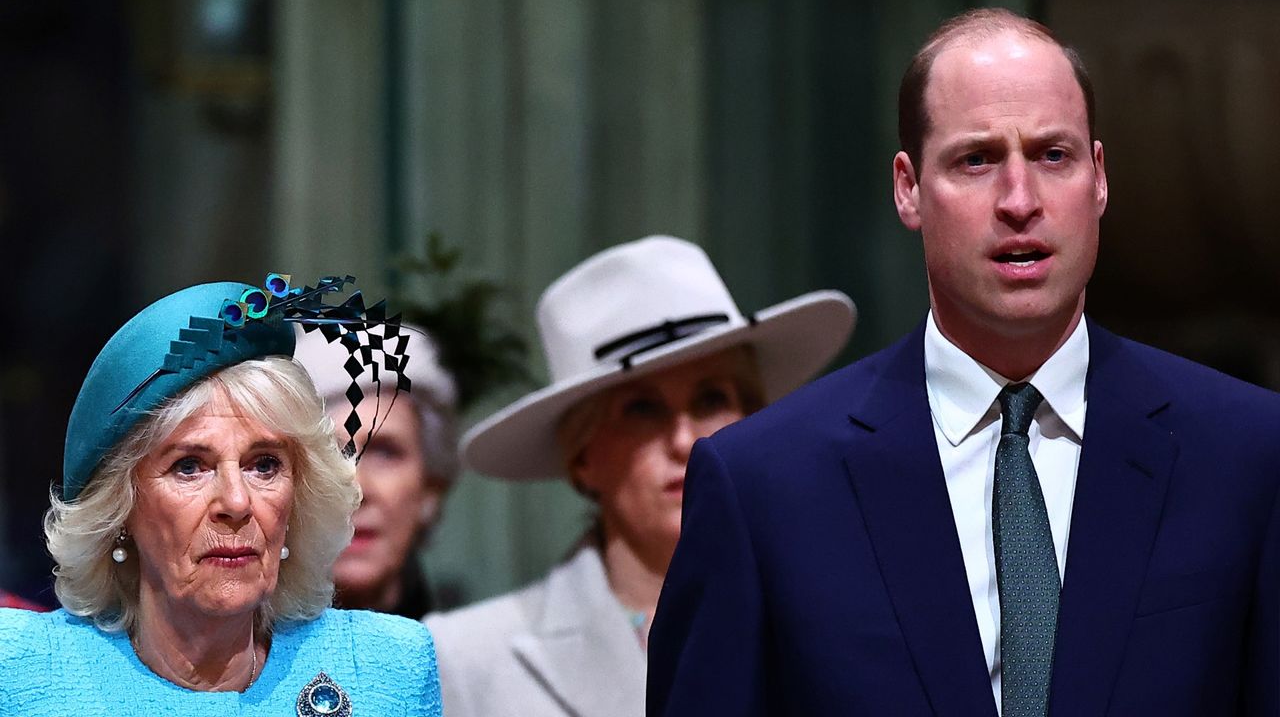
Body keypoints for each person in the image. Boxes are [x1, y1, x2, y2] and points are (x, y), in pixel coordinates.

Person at [648, 9, 1280, 717]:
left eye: (1052, 156)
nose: (1019, 201)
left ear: (1098, 179)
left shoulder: (1249, 456)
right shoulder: (763, 487)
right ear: (908, 188)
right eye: (976, 159)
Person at [426, 235, 855, 717]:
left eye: (711, 399)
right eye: (642, 409)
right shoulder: (463, 660)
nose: (686, 441)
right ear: (582, 456)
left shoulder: (847, 622)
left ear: (752, 419)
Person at [0, 278, 443, 715]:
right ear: (120, 509)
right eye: (189, 466)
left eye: (264, 464)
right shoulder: (25, 672)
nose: (236, 502)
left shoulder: (388, 668)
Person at [294, 325, 459, 618]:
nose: (356, 490)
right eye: (325, 453)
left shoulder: (472, 655)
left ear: (431, 489)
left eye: (385, 452)